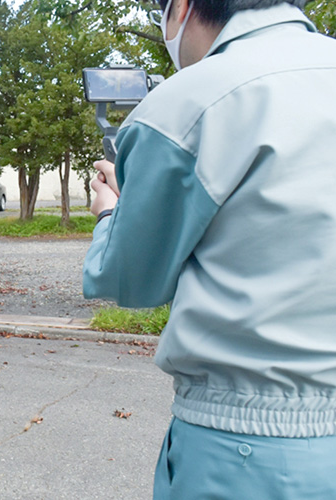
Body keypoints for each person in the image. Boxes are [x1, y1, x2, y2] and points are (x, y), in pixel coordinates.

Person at [82, 0, 336, 497]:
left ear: (180, 8)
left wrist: (111, 210)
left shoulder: (188, 104)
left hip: (245, 444)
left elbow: (131, 278)